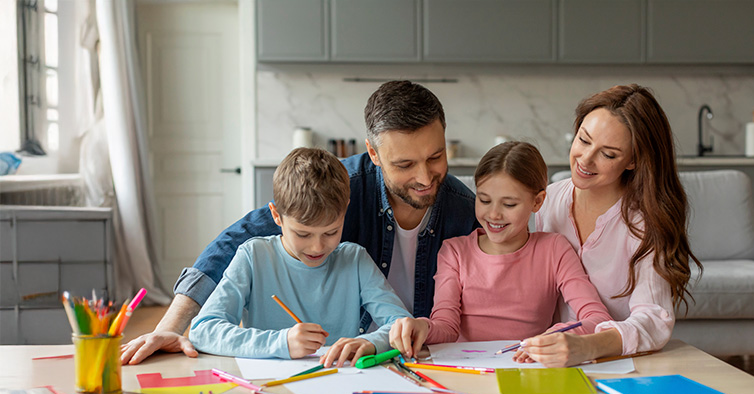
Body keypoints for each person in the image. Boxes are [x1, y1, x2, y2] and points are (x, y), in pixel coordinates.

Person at [121, 80, 479, 365]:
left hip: (402, 356)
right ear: (374, 153)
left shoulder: (464, 210)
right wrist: (170, 328)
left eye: (436, 156)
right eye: (404, 165)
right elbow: (234, 244)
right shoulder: (341, 186)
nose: (425, 177)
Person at [514, 84, 702, 368]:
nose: (585, 159)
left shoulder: (644, 222)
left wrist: (586, 347)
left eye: (608, 154)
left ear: (633, 161)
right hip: (542, 360)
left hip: (615, 364)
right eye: (583, 140)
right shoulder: (548, 200)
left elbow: (653, 318)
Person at [389, 142, 614, 358]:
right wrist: (421, 326)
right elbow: (446, 327)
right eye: (485, 200)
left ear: (537, 202)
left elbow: (597, 317)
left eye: (509, 205)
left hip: (527, 366)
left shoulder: (554, 249)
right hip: (468, 368)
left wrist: (558, 335)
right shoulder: (454, 251)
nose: (494, 215)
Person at [189, 148, 412, 365]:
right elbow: (203, 331)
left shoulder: (355, 260)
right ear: (276, 215)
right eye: (303, 234)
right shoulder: (253, 257)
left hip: (340, 382)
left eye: (331, 232)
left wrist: (369, 343)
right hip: (270, 386)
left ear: (346, 209)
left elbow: (400, 324)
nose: (317, 247)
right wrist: (280, 342)